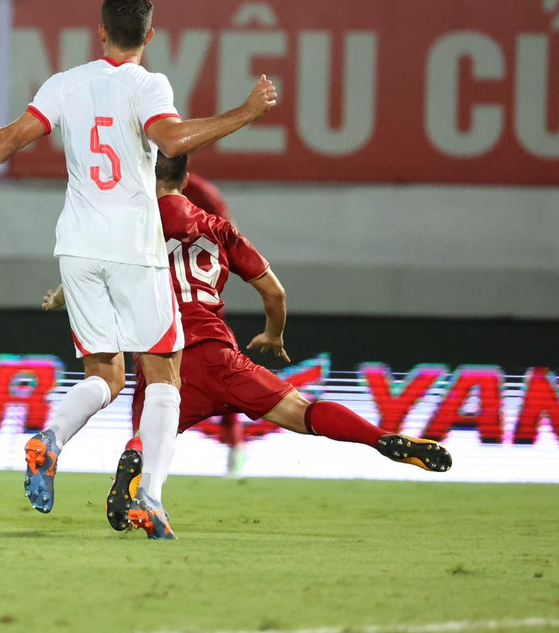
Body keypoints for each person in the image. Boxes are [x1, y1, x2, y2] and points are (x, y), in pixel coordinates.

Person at [0, 0, 280, 539]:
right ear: (150, 37)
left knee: (105, 374)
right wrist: (246, 113)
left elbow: (8, 139)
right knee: (163, 377)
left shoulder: (65, 84)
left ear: (100, 32)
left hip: (76, 247)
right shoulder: (149, 84)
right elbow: (172, 138)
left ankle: (50, 438)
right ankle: (149, 497)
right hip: (132, 246)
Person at [42, 153, 453, 498]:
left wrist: (62, 294)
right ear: (186, 178)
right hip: (221, 355)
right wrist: (273, 333)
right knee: (304, 412)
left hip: (163, 358)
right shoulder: (219, 228)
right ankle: (380, 439)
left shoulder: (132, 225)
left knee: (148, 437)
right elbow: (274, 293)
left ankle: (136, 473)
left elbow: (92, 266)